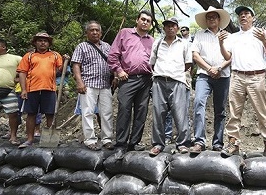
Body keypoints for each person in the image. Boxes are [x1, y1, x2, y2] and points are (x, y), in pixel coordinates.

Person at [218, 5, 266, 160]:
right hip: (237, 76)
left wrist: (264, 39)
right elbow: (227, 57)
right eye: (240, 14)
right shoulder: (233, 37)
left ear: (253, 17)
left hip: (257, 77)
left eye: (246, 14)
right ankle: (233, 144)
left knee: (262, 112)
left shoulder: (260, 33)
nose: (243, 16)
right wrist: (220, 43)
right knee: (234, 112)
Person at [108, 10, 154, 152]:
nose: (145, 22)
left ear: (151, 25)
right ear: (137, 20)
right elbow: (112, 55)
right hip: (128, 78)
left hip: (146, 80)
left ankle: (134, 142)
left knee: (141, 111)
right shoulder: (125, 33)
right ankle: (121, 143)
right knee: (124, 110)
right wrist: (119, 71)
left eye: (148, 21)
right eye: (143, 19)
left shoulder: (152, 41)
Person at [189, 6, 232, 154]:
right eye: (208, 17)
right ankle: (199, 141)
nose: (211, 19)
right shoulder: (199, 35)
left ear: (219, 20)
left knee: (220, 109)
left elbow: (230, 57)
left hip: (223, 76)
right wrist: (210, 69)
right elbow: (195, 56)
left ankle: (218, 142)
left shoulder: (228, 36)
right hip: (203, 75)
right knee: (198, 103)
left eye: (214, 17)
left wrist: (219, 68)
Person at [149, 17, 192, 156]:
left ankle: (183, 144)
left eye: (173, 26)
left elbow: (188, 63)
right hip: (159, 82)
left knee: (180, 114)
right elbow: (153, 63)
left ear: (177, 28)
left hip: (177, 81)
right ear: (164, 28)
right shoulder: (157, 43)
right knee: (158, 113)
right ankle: (157, 144)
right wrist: (162, 73)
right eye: (167, 26)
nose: (170, 28)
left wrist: (176, 73)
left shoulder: (184, 44)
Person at [17, 32, 65, 148]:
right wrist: (23, 90)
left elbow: (61, 70)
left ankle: (50, 139)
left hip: (49, 88)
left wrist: (65, 60)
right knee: (31, 114)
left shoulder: (55, 55)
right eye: (40, 40)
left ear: (49, 43)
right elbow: (22, 73)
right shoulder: (28, 56)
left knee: (50, 114)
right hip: (32, 89)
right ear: (35, 43)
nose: (43, 42)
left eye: (45, 41)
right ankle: (29, 139)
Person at [72, 21, 114, 151]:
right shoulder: (82, 46)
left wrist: (116, 76)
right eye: (92, 30)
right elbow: (76, 65)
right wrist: (79, 82)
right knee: (87, 113)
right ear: (87, 33)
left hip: (105, 85)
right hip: (88, 85)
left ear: (101, 33)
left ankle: (107, 139)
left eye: (97, 30)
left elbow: (113, 62)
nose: (95, 32)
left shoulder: (107, 46)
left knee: (106, 113)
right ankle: (90, 140)